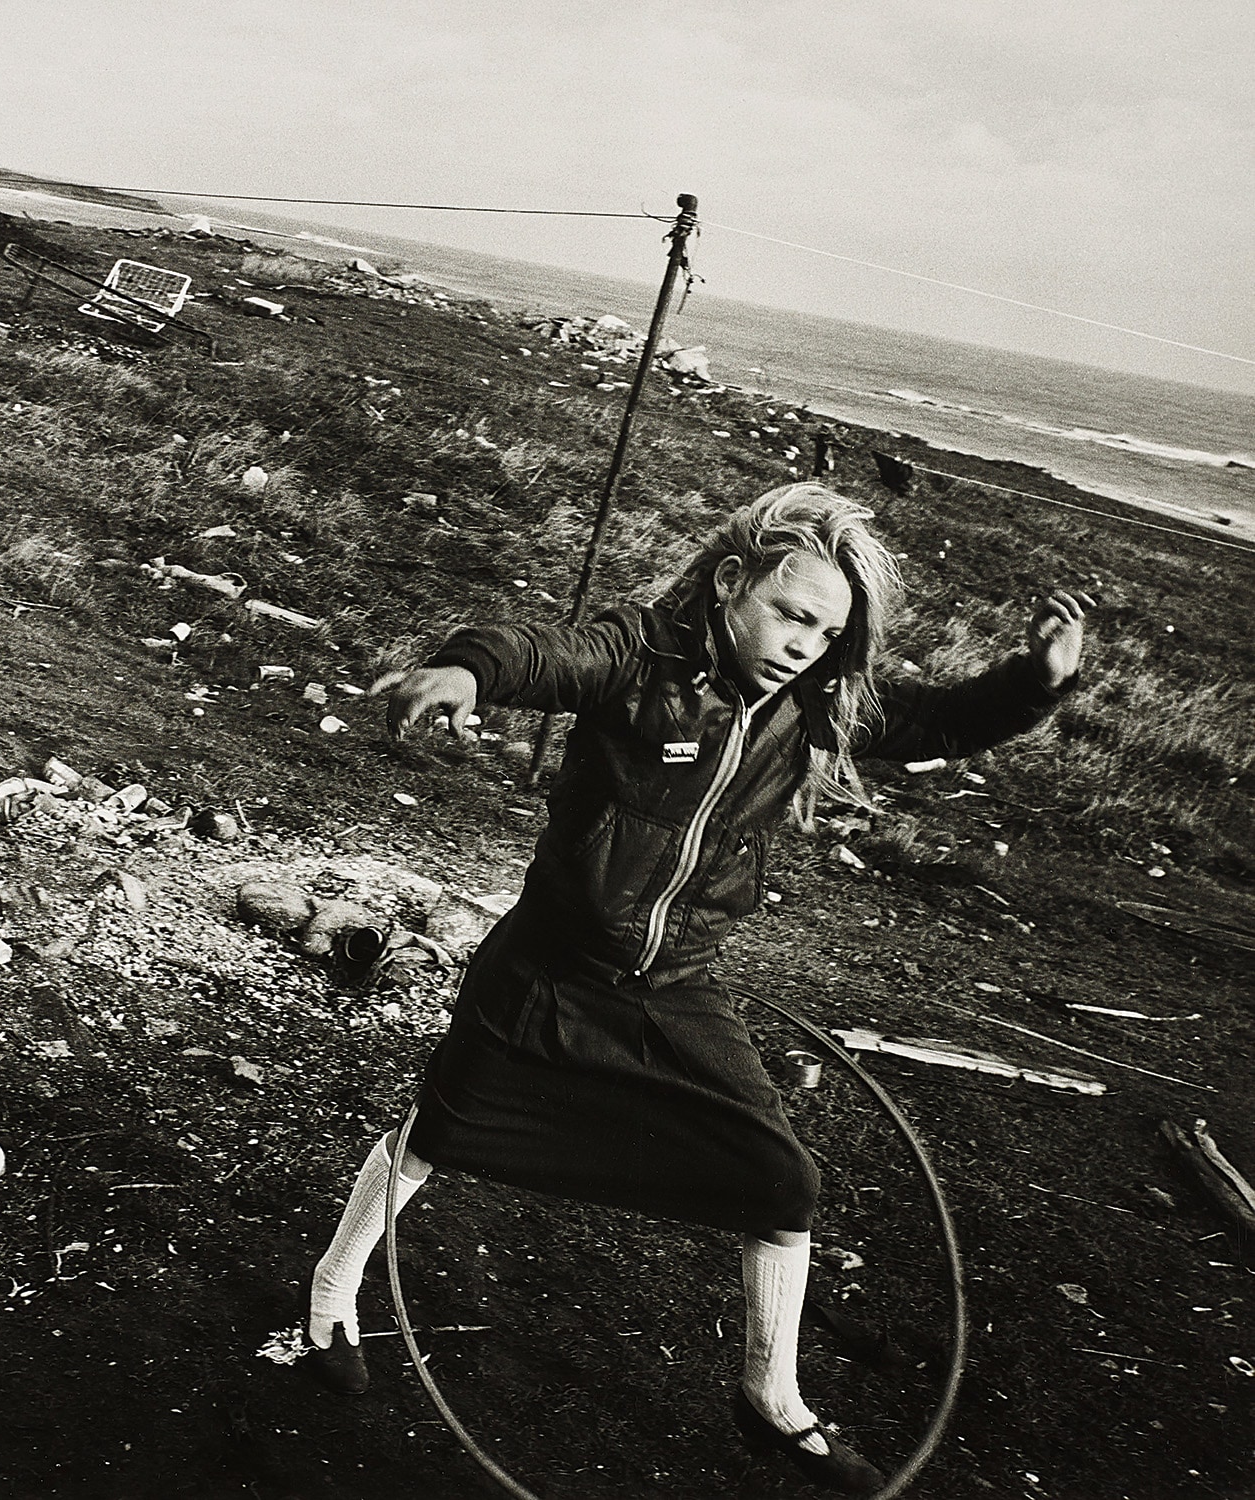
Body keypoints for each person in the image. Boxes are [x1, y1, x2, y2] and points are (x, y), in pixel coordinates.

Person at [301, 483, 1092, 1493]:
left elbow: (937, 717)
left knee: (785, 1183)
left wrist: (1033, 682)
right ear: (731, 584)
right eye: (790, 611)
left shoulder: (816, 702)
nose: (807, 641)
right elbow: (540, 651)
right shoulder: (643, 657)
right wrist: (466, 670)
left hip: (677, 983)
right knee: (438, 1133)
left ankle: (772, 1400)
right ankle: (331, 1292)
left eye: (826, 627)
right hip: (550, 964)